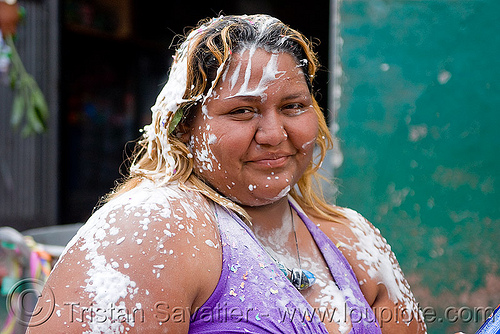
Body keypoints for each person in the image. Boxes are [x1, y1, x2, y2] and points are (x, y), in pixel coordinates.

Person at [28, 14, 426, 333]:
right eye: (242, 111)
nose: (274, 135)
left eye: (293, 107)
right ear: (184, 127)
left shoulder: (353, 238)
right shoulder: (152, 228)